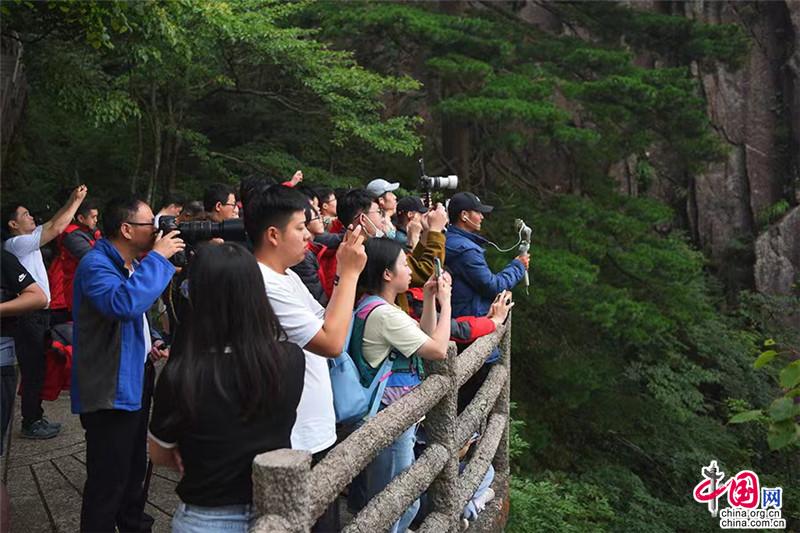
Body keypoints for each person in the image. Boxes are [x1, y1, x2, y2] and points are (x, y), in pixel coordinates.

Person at [148, 243, 305, 533]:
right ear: (256, 293)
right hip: (276, 512)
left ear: (197, 297)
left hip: (205, 516)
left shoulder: (181, 374)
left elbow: (159, 454)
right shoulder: (291, 360)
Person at [244, 184, 366, 532]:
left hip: (312, 429)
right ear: (273, 235)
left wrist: (344, 273)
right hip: (292, 439)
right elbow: (332, 343)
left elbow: (329, 321)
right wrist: (350, 273)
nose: (309, 236)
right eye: (300, 228)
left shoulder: (289, 278)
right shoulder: (263, 283)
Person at [71, 196, 185, 532]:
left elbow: (137, 312)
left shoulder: (127, 263)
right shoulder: (95, 265)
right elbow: (122, 304)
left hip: (134, 376)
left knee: (134, 469)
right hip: (110, 388)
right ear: (126, 229)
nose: (156, 230)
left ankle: (134, 525)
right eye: (150, 223)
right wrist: (159, 259)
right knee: (109, 479)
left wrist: (152, 340)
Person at [349, 237, 452, 533]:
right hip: (391, 417)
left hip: (388, 413)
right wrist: (446, 304)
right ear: (387, 274)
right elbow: (438, 349)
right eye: (404, 265)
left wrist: (430, 298)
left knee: (397, 499)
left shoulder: (373, 306)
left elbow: (424, 337)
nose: (410, 271)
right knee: (396, 502)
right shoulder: (385, 315)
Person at [1, 184, 88, 438]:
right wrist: (77, 202)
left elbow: (53, 223)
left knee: (38, 367)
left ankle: (35, 416)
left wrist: (70, 200)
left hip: (39, 315)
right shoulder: (16, 244)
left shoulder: (26, 242)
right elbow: (56, 228)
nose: (31, 217)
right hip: (29, 315)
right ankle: (31, 421)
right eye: (25, 214)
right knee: (32, 371)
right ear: (13, 224)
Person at [444, 192, 528, 410]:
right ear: (464, 215)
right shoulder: (465, 250)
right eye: (478, 213)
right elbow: (493, 286)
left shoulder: (451, 241)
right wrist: (518, 267)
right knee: (469, 401)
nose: (482, 217)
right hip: (469, 331)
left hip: (459, 323)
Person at [48, 198, 102, 325]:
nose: (96, 220)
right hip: (74, 294)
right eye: (93, 217)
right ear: (81, 218)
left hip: (85, 291)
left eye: (96, 217)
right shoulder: (72, 235)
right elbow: (94, 259)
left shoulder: (90, 232)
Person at [290, 196, 329, 305]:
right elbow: (318, 299)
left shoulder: (312, 249)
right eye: (300, 227)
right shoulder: (302, 257)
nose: (321, 219)